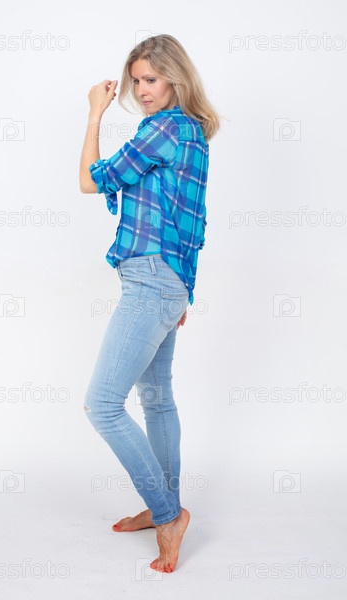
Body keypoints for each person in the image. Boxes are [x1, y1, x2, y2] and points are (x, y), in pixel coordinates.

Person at [79, 34, 221, 574]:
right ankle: (162, 504)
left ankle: (168, 514)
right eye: (135, 80)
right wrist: (184, 290)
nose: (141, 90)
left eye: (151, 79)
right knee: (157, 400)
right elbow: (193, 222)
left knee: (103, 405)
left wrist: (94, 114)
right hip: (167, 280)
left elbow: (90, 181)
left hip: (149, 282)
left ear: (175, 78)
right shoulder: (192, 131)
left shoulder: (161, 129)